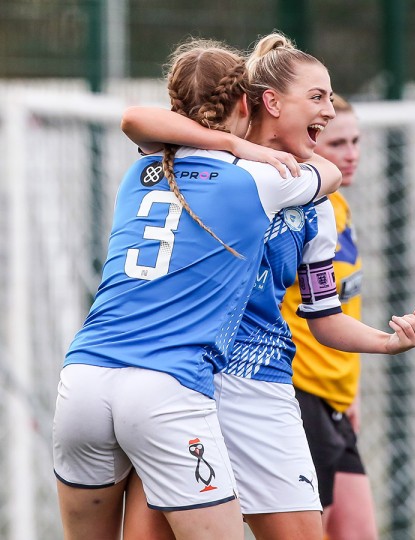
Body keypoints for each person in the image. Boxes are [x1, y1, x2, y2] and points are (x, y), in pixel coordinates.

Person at [118, 34, 415, 540]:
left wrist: (387, 341)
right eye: (319, 96)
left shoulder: (316, 203)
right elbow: (136, 120)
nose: (329, 110)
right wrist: (232, 144)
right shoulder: (202, 160)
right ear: (270, 101)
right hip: (174, 380)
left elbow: (324, 317)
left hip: (259, 387)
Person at [52, 38, 341, 540]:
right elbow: (329, 174)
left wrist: (232, 141)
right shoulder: (257, 178)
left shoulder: (141, 169)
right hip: (164, 384)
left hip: (84, 377)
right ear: (250, 102)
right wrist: (241, 146)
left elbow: (135, 119)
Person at [278, 94, 379, 540]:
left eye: (356, 141)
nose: (351, 154)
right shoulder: (297, 210)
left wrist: (349, 390)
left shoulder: (340, 206)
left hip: (337, 397)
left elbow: (343, 304)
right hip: (302, 393)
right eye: (338, 144)